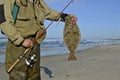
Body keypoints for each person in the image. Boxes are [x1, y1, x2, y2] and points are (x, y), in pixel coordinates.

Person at [0, 0, 77, 80]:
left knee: (34, 75)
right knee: (18, 76)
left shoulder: (37, 1)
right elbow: (3, 20)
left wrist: (65, 17)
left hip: (35, 43)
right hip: (18, 45)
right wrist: (21, 41)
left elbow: (48, 12)